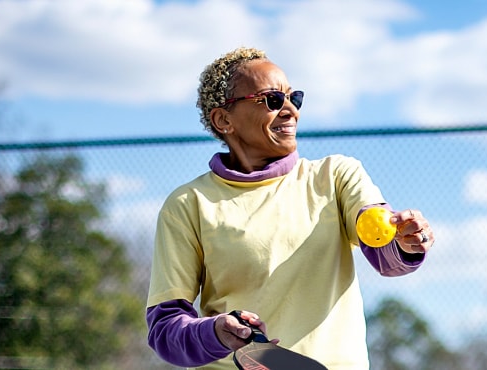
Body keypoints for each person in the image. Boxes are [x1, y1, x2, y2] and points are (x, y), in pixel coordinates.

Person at [146, 47, 435, 370]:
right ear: (224, 119)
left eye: (293, 98)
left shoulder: (336, 175)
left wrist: (405, 241)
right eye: (271, 99)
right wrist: (215, 332)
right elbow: (165, 330)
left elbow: (388, 258)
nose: (289, 110)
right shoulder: (188, 204)